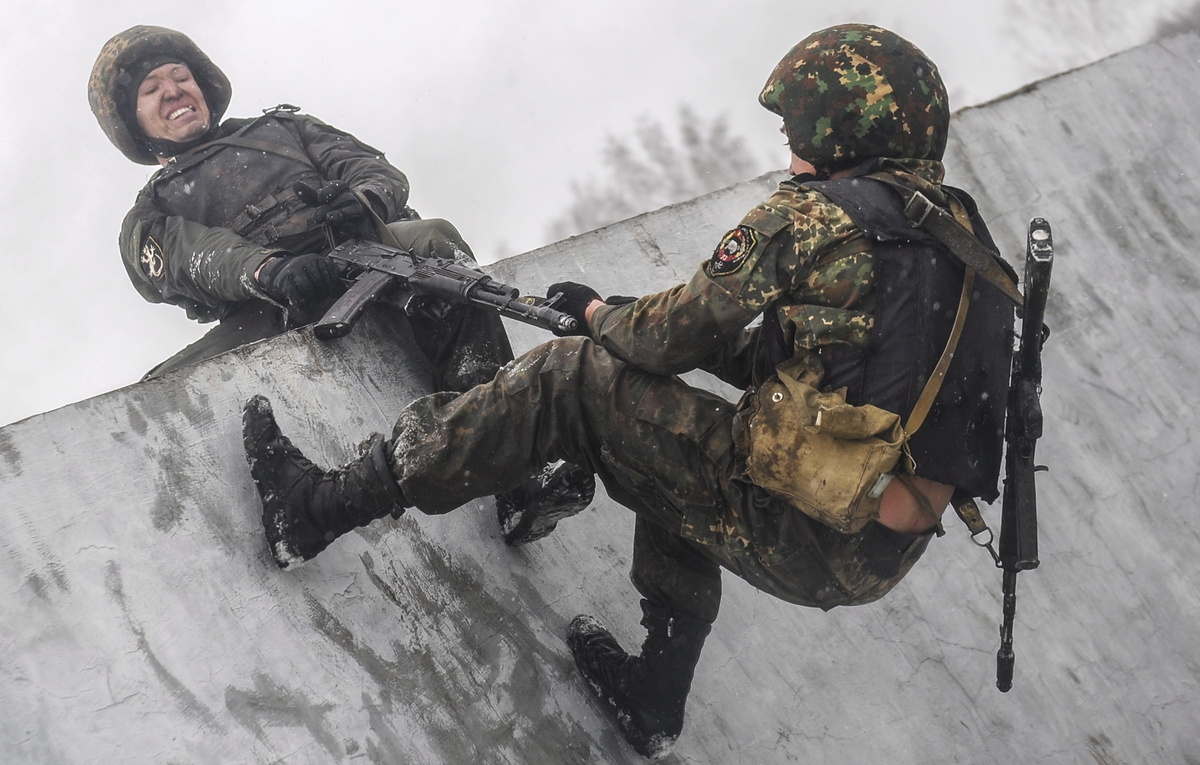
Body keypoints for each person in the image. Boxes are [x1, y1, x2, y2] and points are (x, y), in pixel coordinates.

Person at [241, 24, 1018, 760]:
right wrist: (637, 329)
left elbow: (664, 337)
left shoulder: (819, 215)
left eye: (800, 130)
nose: (790, 150)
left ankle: (315, 510)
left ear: (845, 128)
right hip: (876, 551)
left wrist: (594, 314)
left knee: (573, 374)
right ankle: (654, 696)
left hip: (798, 523)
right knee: (667, 432)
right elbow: (807, 369)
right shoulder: (967, 254)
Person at [89, 25, 592, 548]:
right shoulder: (150, 213)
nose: (173, 91)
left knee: (434, 241)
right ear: (132, 120)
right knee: (163, 390)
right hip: (274, 302)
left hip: (367, 258)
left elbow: (372, 169)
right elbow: (192, 257)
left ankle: (512, 468)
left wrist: (364, 200)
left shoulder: (284, 128)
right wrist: (267, 269)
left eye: (180, 76)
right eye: (151, 89)